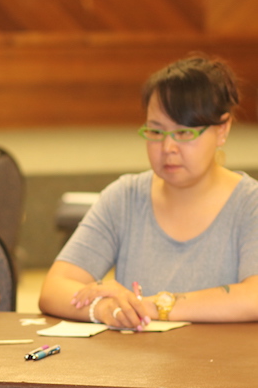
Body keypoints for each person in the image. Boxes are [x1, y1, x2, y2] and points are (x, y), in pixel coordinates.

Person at [38, 55, 258, 330]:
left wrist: (151, 306)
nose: (168, 147)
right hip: (139, 369)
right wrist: (106, 308)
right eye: (156, 131)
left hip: (225, 369)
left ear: (222, 129)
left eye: (184, 133)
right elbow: (54, 288)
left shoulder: (250, 204)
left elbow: (254, 296)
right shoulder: (125, 198)